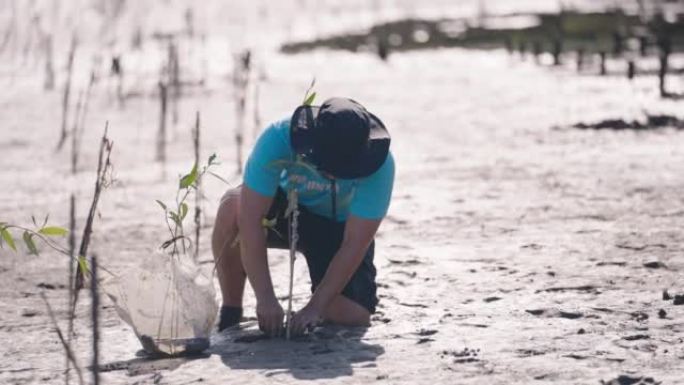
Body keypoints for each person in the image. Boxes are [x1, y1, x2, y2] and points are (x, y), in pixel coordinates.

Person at [212, 97, 394, 336]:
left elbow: (354, 243)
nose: (333, 175)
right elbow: (251, 219)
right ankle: (231, 312)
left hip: (336, 225)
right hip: (287, 208)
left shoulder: (380, 166)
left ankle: (320, 300)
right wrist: (265, 298)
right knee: (231, 207)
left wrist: (314, 308)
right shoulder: (278, 138)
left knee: (353, 317)